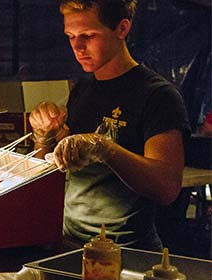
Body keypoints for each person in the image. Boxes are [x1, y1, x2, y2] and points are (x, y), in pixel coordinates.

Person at [29, 0, 190, 251]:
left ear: (122, 28)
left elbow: (166, 187)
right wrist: (44, 136)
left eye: (88, 35)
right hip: (67, 241)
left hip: (125, 250)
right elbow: (55, 168)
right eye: (70, 36)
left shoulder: (158, 95)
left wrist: (105, 149)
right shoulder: (83, 88)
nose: (77, 46)